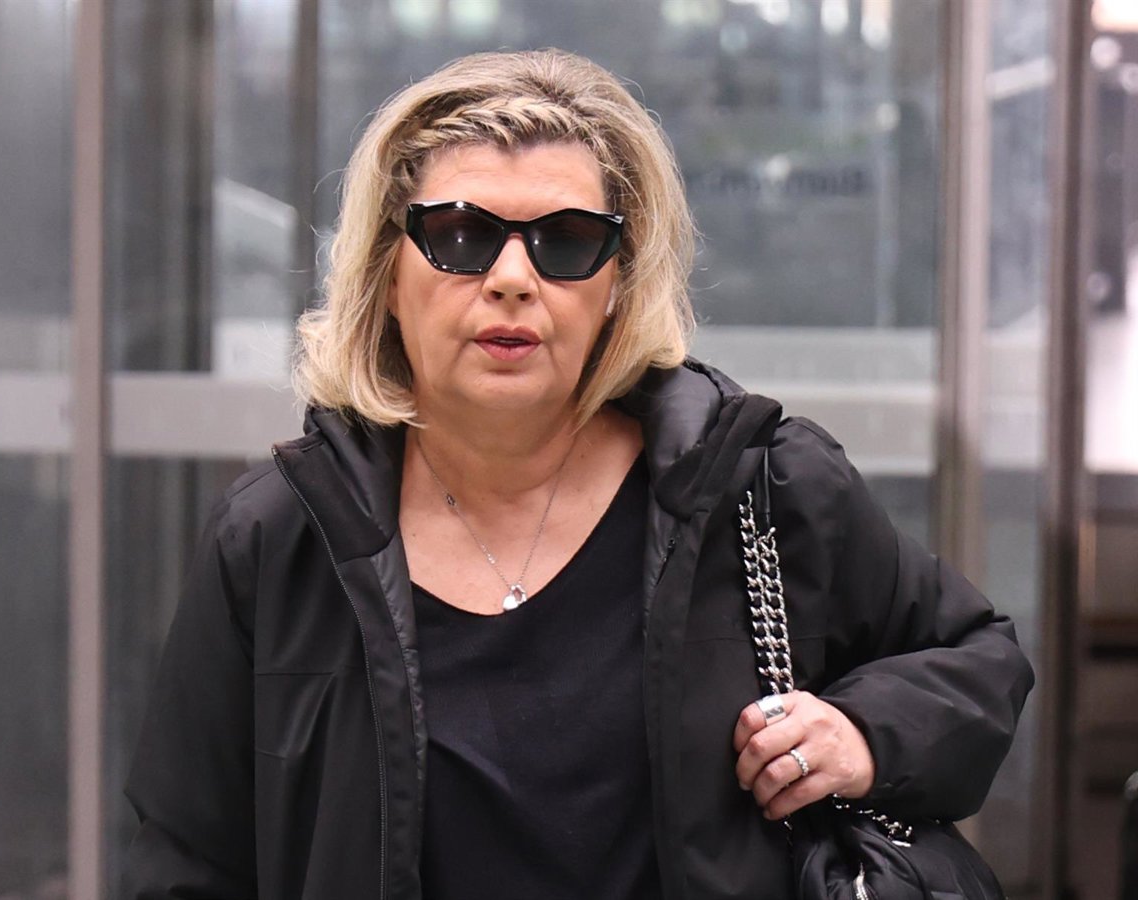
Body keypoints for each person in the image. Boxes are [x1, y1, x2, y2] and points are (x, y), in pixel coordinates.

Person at [125, 48, 1034, 900]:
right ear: (386, 276)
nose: (512, 278)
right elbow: (188, 860)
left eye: (564, 241)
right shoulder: (280, 538)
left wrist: (864, 735)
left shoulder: (757, 488)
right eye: (460, 235)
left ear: (616, 288)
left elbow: (977, 658)